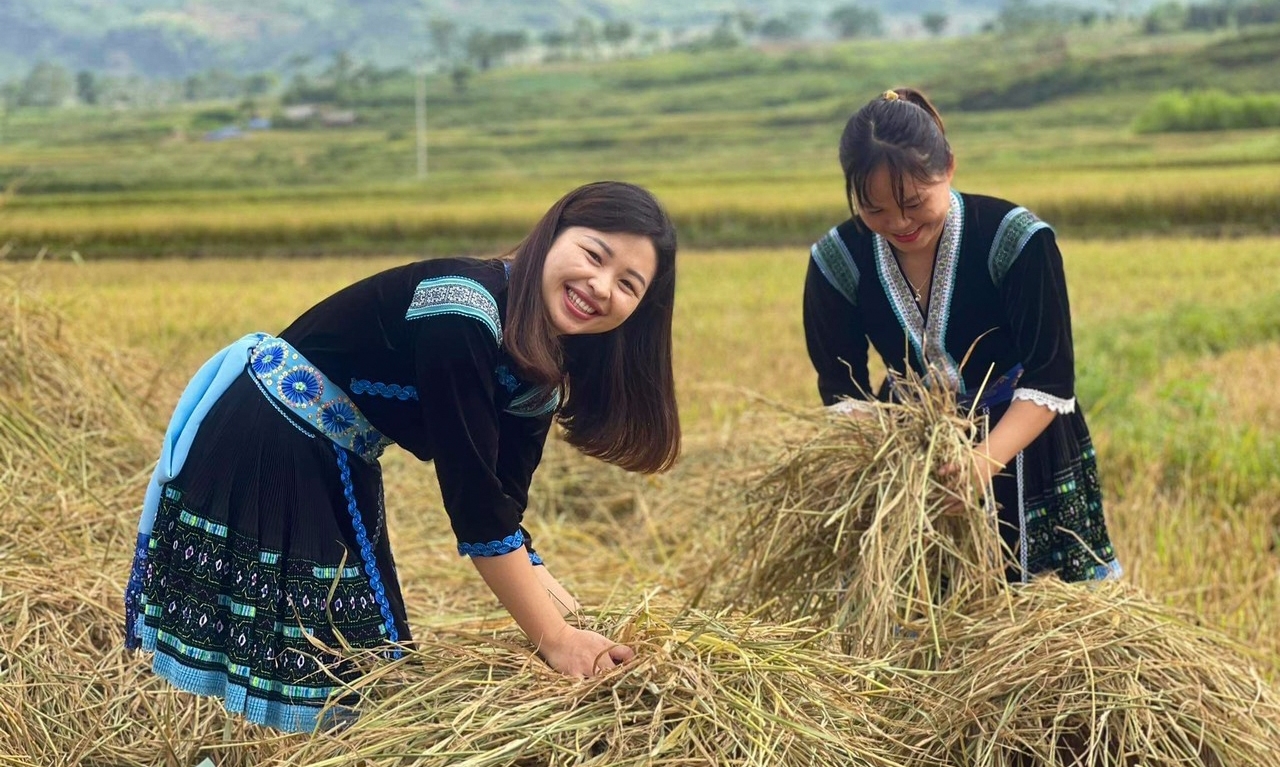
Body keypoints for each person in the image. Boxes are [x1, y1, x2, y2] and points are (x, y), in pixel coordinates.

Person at [123, 180, 681, 733]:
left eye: (628, 285)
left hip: (335, 448)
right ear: (550, 235)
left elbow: (504, 511)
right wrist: (556, 640)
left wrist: (578, 622)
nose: (600, 286)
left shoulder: (538, 372)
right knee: (341, 659)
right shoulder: (462, 310)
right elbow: (475, 508)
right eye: (593, 255)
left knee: (355, 657)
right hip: (273, 429)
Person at [803, 87, 1119, 584]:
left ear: (948, 166)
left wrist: (980, 461)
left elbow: (1051, 379)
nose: (900, 223)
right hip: (905, 448)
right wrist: (899, 464)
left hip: (1021, 440)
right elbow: (841, 388)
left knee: (1035, 620)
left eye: (913, 202)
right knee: (918, 620)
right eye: (876, 210)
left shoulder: (1016, 240)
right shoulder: (837, 261)